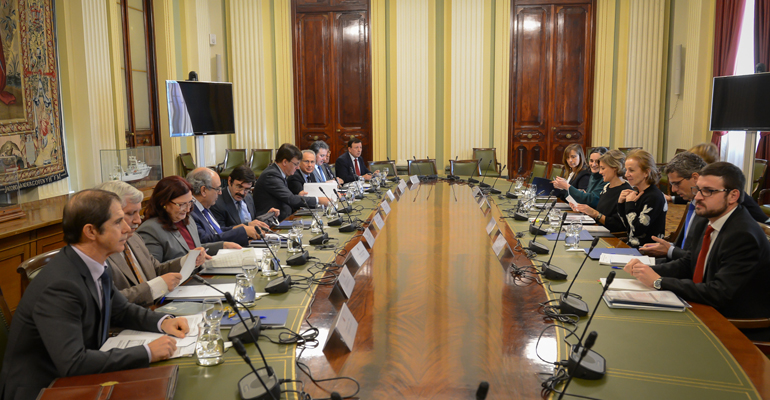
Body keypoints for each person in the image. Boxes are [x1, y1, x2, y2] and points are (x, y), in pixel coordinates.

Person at [0, 190, 190, 400]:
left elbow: (121, 310)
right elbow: (73, 363)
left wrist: (163, 322)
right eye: (118, 222)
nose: (127, 228)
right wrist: (147, 352)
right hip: (44, 389)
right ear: (91, 231)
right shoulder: (60, 285)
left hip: (77, 379)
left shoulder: (95, 264)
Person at [625, 162, 770, 341]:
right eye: (698, 190)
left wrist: (659, 281)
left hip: (736, 323)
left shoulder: (743, 235)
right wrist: (642, 271)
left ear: (733, 196)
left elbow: (719, 293)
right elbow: (688, 263)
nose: (698, 197)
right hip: (706, 306)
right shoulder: (707, 219)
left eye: (708, 191)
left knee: (647, 334)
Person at [96, 181, 206, 307]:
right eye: (130, 213)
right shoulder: (98, 251)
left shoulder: (134, 238)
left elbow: (155, 270)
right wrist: (155, 287)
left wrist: (186, 260)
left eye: (138, 212)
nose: (138, 220)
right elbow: (108, 301)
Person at [137, 176, 240, 263]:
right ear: (163, 202)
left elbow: (193, 248)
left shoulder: (187, 219)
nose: (187, 209)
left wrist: (222, 245)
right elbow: (153, 269)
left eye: (190, 202)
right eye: (181, 204)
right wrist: (188, 260)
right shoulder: (150, 229)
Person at [638, 152, 707, 261]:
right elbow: (684, 245)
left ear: (695, 178)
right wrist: (668, 246)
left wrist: (670, 250)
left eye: (677, 183)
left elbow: (697, 259)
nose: (674, 189)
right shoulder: (694, 204)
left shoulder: (708, 211)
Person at [252, 143, 330, 221]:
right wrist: (318, 200)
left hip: (283, 217)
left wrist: (298, 196)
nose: (298, 167)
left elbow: (287, 197)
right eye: (296, 164)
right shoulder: (271, 175)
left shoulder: (278, 172)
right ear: (285, 162)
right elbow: (291, 199)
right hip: (271, 221)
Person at [187, 167, 261, 247]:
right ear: (203, 190)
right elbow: (205, 240)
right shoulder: (190, 212)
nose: (220, 192)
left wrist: (242, 228)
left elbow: (218, 230)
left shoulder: (204, 207)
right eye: (217, 189)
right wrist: (242, 232)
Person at [617, 149, 667, 247]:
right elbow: (627, 226)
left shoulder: (654, 196)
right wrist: (621, 203)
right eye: (626, 170)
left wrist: (630, 205)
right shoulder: (638, 193)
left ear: (646, 172)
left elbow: (637, 230)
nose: (626, 175)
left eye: (631, 170)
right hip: (633, 247)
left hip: (646, 251)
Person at [572, 150, 632, 233]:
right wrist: (583, 210)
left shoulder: (626, 192)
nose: (600, 172)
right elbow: (601, 213)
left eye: (603, 168)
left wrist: (595, 213)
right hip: (597, 230)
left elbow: (618, 225)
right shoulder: (606, 187)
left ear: (615, 168)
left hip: (610, 237)